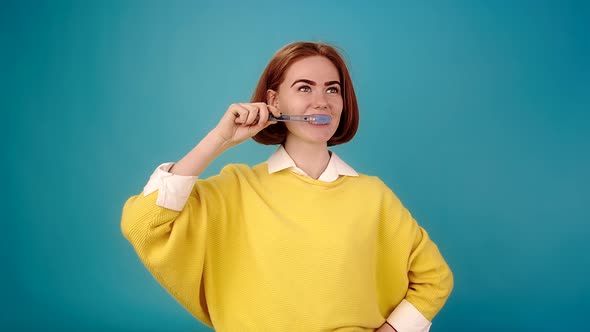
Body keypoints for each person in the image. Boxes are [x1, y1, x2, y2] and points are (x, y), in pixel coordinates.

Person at [121, 41, 453, 332]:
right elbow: (143, 224)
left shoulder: (373, 196)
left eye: (332, 89)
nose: (321, 101)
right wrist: (219, 139)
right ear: (274, 102)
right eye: (304, 88)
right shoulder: (237, 188)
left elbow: (435, 277)